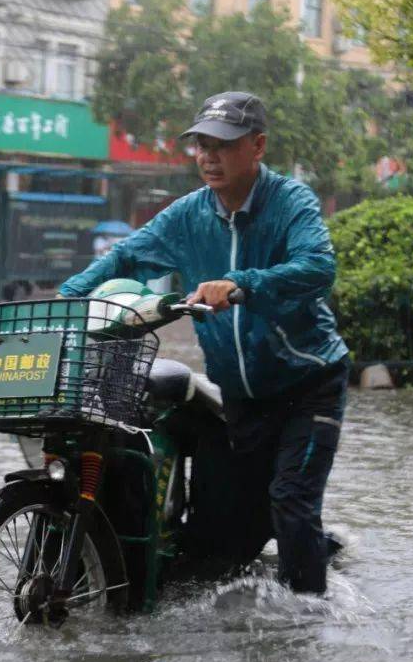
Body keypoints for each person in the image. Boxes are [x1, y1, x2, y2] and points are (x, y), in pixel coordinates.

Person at [58, 92, 349, 594]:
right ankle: (316, 550)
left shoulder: (290, 202)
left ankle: (307, 623)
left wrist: (241, 284)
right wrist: (68, 297)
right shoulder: (187, 215)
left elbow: (319, 269)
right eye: (201, 146)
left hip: (308, 383)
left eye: (224, 145)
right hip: (240, 396)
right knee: (222, 540)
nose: (209, 157)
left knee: (291, 500)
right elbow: (126, 257)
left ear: (257, 146)